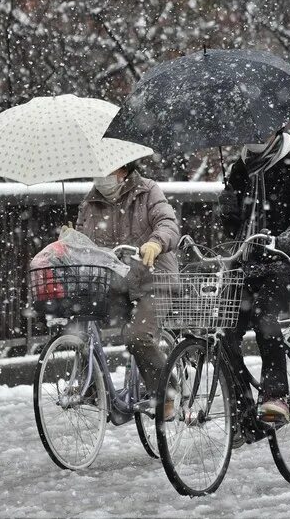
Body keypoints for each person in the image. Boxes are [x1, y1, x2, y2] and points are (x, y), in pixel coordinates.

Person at [219, 130, 290, 424]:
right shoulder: (239, 169)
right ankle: (242, 410)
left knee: (265, 314)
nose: (255, 136)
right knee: (224, 328)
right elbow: (233, 228)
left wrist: (286, 240)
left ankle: (277, 395)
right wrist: (227, 207)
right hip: (249, 260)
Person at [76, 161, 180, 401]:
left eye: (106, 170)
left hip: (154, 279)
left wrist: (156, 242)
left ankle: (167, 392)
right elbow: (82, 240)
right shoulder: (90, 202)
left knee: (137, 337)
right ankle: (90, 385)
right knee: (80, 318)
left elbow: (168, 224)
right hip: (117, 282)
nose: (101, 177)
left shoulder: (148, 190)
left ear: (123, 169)